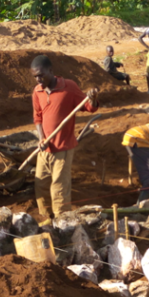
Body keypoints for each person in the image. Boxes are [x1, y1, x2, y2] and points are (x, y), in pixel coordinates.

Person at [30, 55, 99, 224]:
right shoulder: (37, 91)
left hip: (63, 147)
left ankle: (62, 222)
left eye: (41, 75)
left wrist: (92, 98)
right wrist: (42, 138)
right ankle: (47, 219)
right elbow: (37, 117)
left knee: (59, 188)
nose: (38, 80)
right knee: (41, 185)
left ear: (50, 71)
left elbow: (88, 107)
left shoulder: (68, 87)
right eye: (35, 77)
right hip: (45, 148)